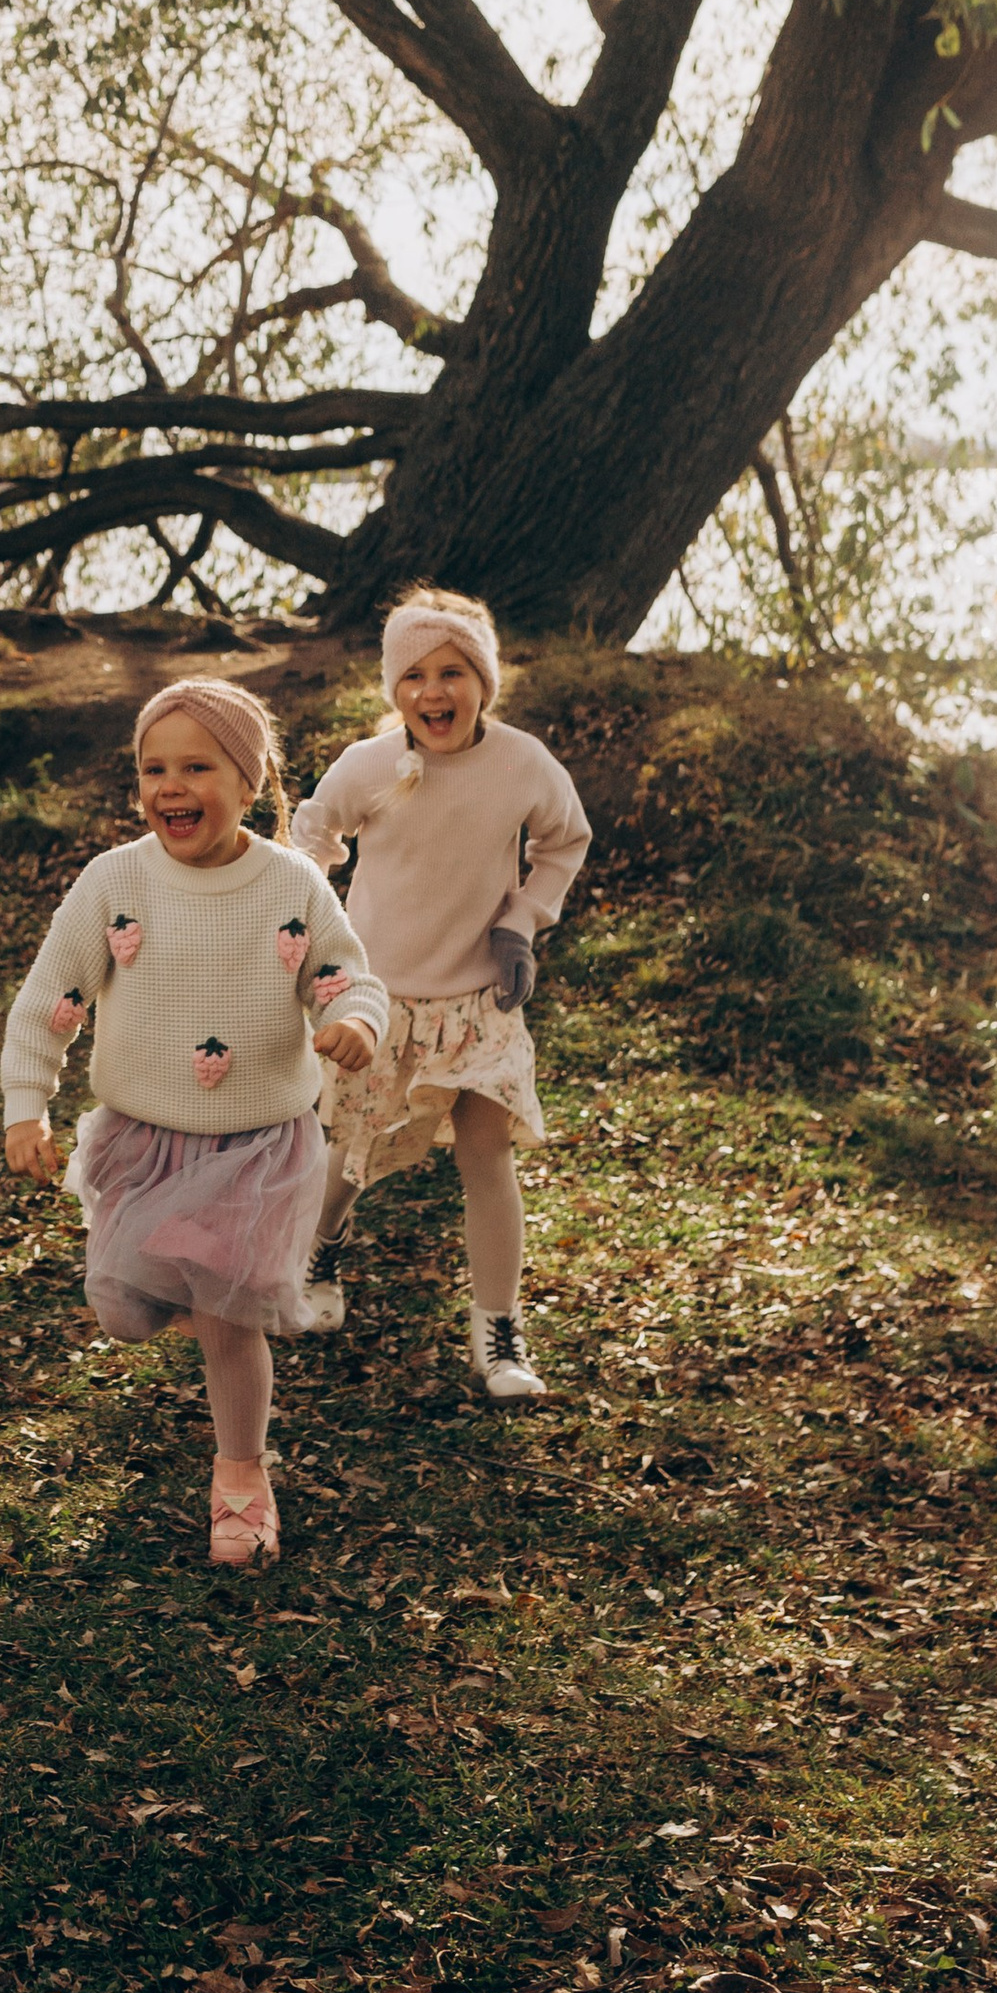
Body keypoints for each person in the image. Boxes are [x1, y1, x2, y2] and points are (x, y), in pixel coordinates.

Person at [0, 679, 384, 1567]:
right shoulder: (115, 880)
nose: (171, 785)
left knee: (231, 1322)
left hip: (257, 1145)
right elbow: (51, 997)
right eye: (153, 768)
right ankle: (206, 1299)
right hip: (144, 1136)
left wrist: (357, 1020)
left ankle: (241, 1480)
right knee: (124, 1315)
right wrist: (29, 1100)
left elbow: (346, 974)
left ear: (248, 783)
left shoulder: (291, 883)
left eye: (197, 766)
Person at [293, 588, 592, 1401]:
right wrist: (316, 919)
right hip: (377, 1000)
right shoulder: (373, 765)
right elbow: (310, 829)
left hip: (478, 1003)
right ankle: (318, 1252)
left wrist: (523, 921)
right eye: (416, 676)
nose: (435, 692)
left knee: (487, 1156)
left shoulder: (523, 763)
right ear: (395, 691)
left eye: (454, 672)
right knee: (348, 1150)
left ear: (483, 682)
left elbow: (567, 840)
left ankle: (498, 1331)